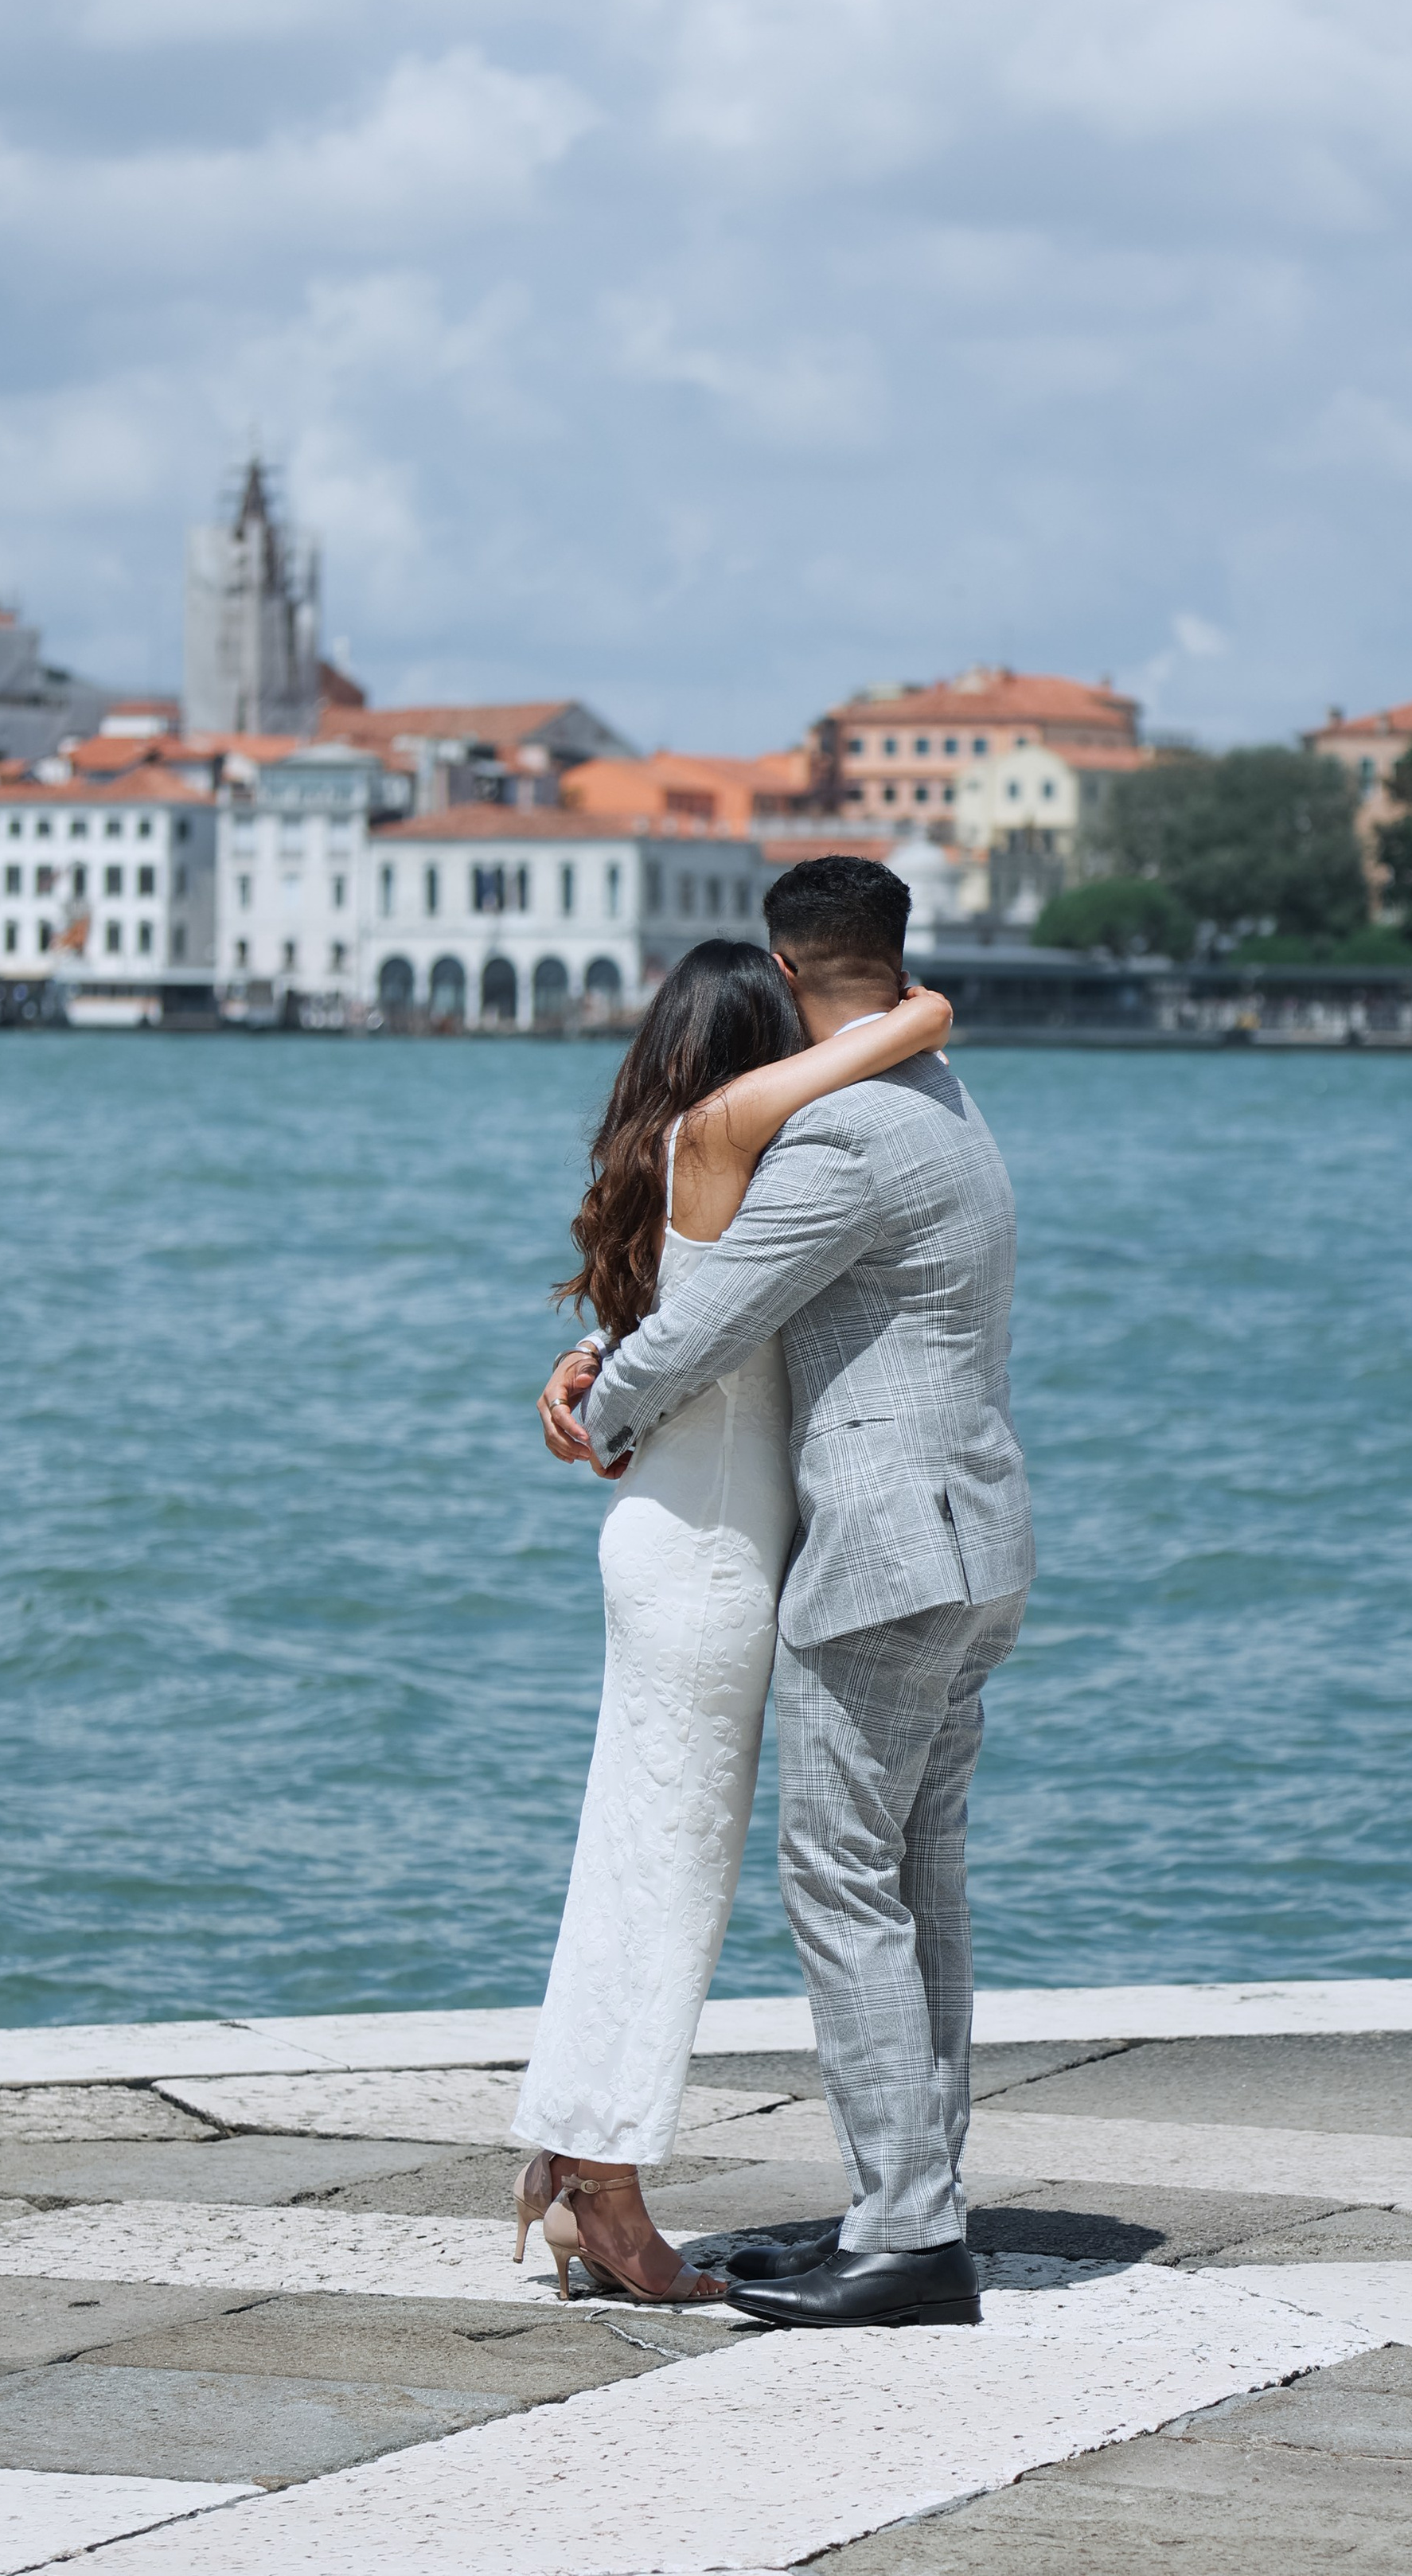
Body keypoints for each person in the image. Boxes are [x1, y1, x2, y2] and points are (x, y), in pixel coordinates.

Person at [538, 856, 1034, 2331]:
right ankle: (909, 2208)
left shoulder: (839, 1139)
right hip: (973, 1537)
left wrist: (595, 1410)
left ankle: (905, 2239)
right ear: (894, 958)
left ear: (782, 968)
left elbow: (707, 1325)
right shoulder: (947, 1104)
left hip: (884, 1554)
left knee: (839, 1878)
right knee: (916, 1883)